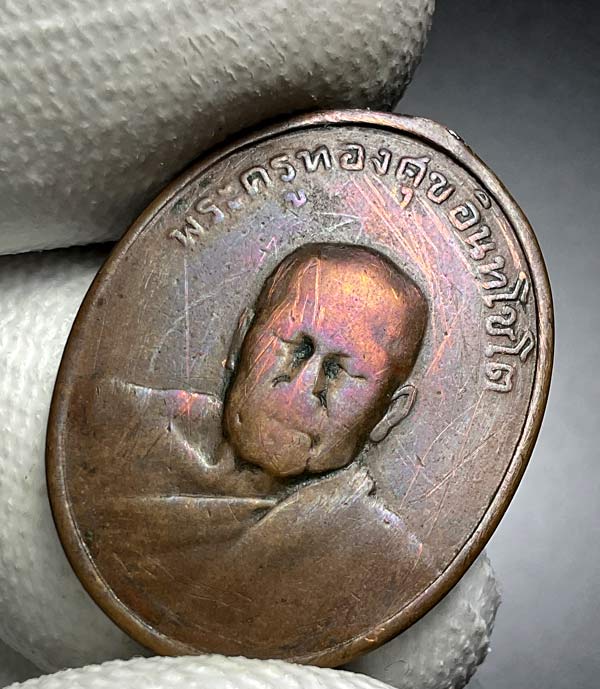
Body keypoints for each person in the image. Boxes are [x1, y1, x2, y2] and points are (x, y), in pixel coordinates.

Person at [77, 243, 433, 657]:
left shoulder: (384, 562)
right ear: (240, 341)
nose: (302, 388)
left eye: (340, 371)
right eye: (296, 348)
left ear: (388, 413)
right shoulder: (115, 421)